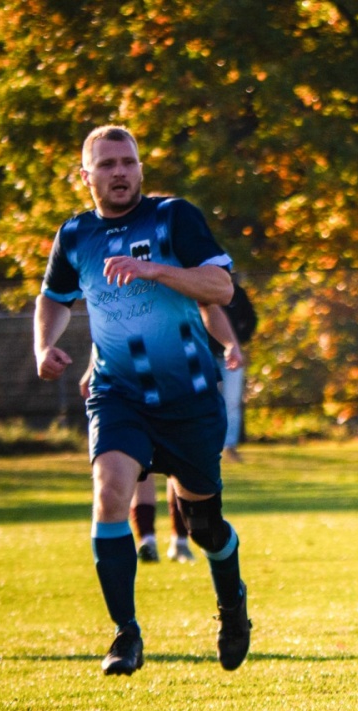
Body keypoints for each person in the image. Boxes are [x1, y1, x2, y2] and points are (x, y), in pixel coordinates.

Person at [34, 125, 252, 676]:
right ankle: (125, 634)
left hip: (190, 399)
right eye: (106, 164)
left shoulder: (173, 217)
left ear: (140, 169)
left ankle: (232, 605)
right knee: (110, 492)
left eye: (128, 162)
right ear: (86, 176)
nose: (120, 173)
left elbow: (221, 288)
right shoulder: (75, 235)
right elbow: (53, 298)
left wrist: (156, 270)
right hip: (118, 395)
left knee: (204, 527)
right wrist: (44, 344)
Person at [78, 302, 243, 565]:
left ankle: (177, 540)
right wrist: (92, 367)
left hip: (181, 385)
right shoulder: (113, 272)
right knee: (136, 465)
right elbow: (108, 328)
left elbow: (213, 304)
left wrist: (230, 343)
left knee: (178, 471)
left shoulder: (180, 268)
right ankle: (148, 539)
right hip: (130, 391)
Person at [211, 281, 256, 462]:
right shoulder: (202, 288)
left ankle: (229, 446)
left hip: (231, 357)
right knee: (208, 400)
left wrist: (236, 342)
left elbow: (251, 320)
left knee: (231, 400)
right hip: (207, 355)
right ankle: (210, 445)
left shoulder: (236, 292)